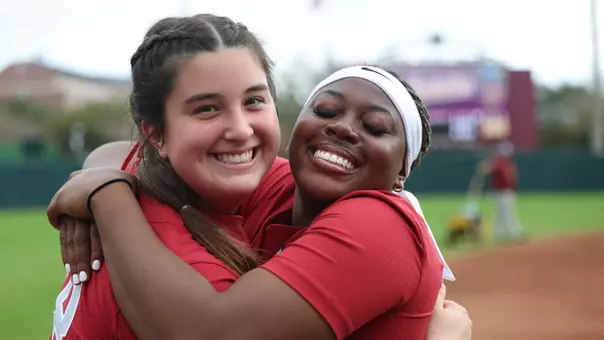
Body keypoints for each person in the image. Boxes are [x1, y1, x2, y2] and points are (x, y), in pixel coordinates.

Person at [47, 14, 469, 340]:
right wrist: (102, 181)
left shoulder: (376, 223)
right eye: (207, 108)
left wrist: (104, 189)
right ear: (155, 134)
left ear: (404, 170)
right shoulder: (214, 212)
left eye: (253, 101)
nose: (240, 129)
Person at [479, 141, 526, 242]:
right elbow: (486, 169)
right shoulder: (500, 162)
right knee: (503, 214)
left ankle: (507, 233)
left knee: (505, 213)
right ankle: (507, 233)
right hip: (501, 192)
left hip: (506, 192)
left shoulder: (506, 162)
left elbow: (486, 168)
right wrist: (486, 166)